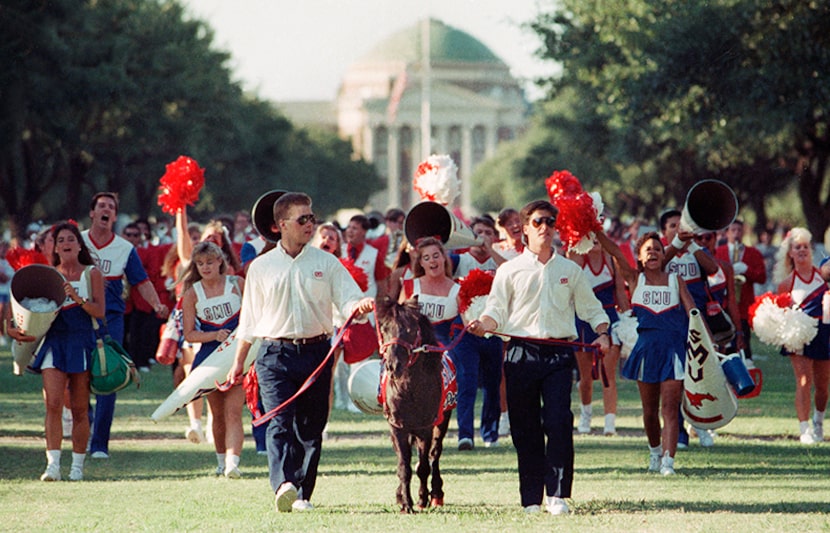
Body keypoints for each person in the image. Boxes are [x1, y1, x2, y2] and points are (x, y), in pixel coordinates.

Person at [226, 192, 373, 513]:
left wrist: (358, 306)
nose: (311, 224)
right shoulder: (262, 267)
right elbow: (249, 320)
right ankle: (283, 484)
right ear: (281, 226)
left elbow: (349, 299)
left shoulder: (326, 262)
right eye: (302, 219)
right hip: (273, 355)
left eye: (312, 218)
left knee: (310, 428)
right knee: (278, 421)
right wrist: (238, 363)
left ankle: (303, 494)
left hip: (317, 352)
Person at [467, 199, 610, 516]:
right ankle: (531, 497)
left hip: (559, 353)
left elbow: (592, 310)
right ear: (525, 230)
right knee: (524, 426)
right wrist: (483, 325)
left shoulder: (570, 270)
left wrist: (602, 332)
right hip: (520, 354)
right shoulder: (509, 270)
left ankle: (557, 494)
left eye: (550, 222)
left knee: (559, 420)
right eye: (537, 222)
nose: (545, 227)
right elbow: (495, 311)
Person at [8, 222, 106, 481]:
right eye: (60, 240)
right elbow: (18, 308)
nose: (65, 243)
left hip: (81, 343)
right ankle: (52, 465)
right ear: (54, 246)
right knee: (52, 404)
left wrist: (77, 297)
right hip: (54, 343)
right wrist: (12, 329)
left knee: (79, 408)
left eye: (70, 239)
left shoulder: (91, 274)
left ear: (79, 244)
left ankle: (77, 467)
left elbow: (100, 311)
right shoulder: (49, 274)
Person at [601, 230, 695, 475]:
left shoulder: (676, 280)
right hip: (646, 351)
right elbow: (613, 250)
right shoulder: (635, 279)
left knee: (670, 408)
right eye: (647, 250)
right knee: (650, 412)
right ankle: (654, 452)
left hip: (674, 349)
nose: (653, 252)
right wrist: (592, 228)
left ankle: (668, 461)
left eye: (657, 249)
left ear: (664, 255)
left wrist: (706, 342)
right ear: (639, 258)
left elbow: (693, 313)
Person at [82, 192, 168, 459]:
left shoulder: (125, 249)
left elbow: (141, 281)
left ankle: (99, 444)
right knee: (76, 378)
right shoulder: (78, 241)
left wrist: (156, 305)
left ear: (115, 217)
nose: (106, 210)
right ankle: (84, 428)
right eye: (102, 206)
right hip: (77, 319)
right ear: (92, 213)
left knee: (109, 378)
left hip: (111, 321)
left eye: (111, 207)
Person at [181, 241, 246, 476]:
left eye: (209, 262)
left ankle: (232, 463)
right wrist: (214, 335)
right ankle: (221, 461)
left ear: (220, 261)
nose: (205, 267)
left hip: (238, 356)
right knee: (217, 413)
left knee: (233, 410)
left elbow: (255, 318)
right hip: (209, 358)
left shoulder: (238, 284)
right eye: (200, 264)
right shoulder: (192, 293)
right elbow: (189, 333)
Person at [660, 208, 719, 448]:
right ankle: (680, 432)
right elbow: (658, 264)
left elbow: (713, 268)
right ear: (664, 232)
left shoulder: (696, 253)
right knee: (676, 378)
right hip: (672, 323)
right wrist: (676, 244)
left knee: (699, 375)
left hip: (697, 320)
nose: (678, 229)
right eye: (672, 226)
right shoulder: (662, 253)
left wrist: (692, 244)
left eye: (680, 224)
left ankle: (701, 425)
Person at [450, 217, 505, 449]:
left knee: (493, 383)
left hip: (494, 332)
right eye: (477, 232)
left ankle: (490, 434)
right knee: (467, 382)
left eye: (487, 232)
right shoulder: (459, 260)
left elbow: (511, 272)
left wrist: (491, 251)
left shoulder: (500, 263)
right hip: (465, 333)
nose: (481, 237)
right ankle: (465, 434)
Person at [773, 228, 830, 444]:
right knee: (804, 380)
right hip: (799, 336)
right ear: (790, 253)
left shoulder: (822, 275)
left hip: (823, 332)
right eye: (797, 247)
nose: (802, 250)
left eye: (806, 246)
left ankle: (818, 420)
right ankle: (804, 428)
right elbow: (781, 313)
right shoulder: (786, 283)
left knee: (823, 385)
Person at [568, 237, 629, 436]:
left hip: (608, 318)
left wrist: (628, 320)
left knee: (607, 374)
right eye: (589, 236)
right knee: (586, 376)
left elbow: (620, 292)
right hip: (583, 320)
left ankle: (609, 422)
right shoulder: (578, 259)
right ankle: (586, 414)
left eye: (598, 236)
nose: (594, 240)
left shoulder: (612, 261)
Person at [715, 220, 767, 362]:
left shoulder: (753, 253)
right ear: (727, 233)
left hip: (744, 305)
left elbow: (762, 277)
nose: (736, 233)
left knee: (744, 341)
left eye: (739, 230)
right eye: (733, 230)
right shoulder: (718, 252)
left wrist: (747, 270)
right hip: (724, 305)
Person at [342, 214, 389, 298]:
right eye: (349, 227)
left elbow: (382, 284)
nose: (350, 231)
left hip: (367, 306)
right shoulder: (339, 251)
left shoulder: (374, 254)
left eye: (354, 228)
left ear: (364, 231)